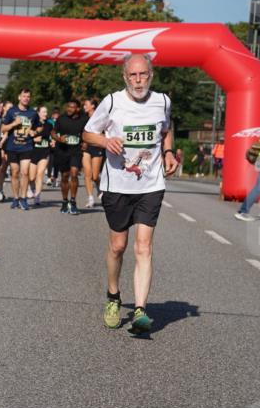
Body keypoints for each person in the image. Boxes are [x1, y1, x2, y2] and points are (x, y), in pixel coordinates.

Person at [82, 53, 179, 334]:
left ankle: (140, 311)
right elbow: (88, 133)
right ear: (125, 77)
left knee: (143, 246)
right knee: (118, 246)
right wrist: (105, 141)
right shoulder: (112, 102)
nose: (138, 81)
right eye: (133, 75)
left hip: (151, 185)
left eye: (143, 74)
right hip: (118, 185)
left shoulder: (162, 101)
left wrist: (168, 152)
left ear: (151, 75)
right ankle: (113, 296)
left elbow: (166, 130)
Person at [2, 88, 38, 210]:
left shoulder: (33, 113)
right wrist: (13, 124)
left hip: (26, 146)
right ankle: (16, 198)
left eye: (28, 96)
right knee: (15, 172)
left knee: (25, 172)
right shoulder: (11, 111)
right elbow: (3, 128)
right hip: (12, 146)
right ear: (19, 97)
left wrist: (34, 132)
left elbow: (39, 127)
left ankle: (23, 198)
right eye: (24, 96)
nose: (26, 98)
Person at [51, 99, 85, 215]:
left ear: (78, 109)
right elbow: (53, 132)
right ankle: (65, 201)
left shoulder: (84, 119)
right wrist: (58, 138)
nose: (69, 109)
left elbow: (88, 133)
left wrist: (86, 142)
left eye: (72, 107)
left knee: (74, 173)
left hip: (76, 151)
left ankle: (73, 201)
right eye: (68, 107)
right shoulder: (61, 119)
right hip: (63, 150)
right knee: (65, 176)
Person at [28, 105, 53, 207]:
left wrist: (53, 141)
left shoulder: (49, 125)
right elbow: (26, 137)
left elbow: (52, 136)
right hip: (33, 152)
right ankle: (31, 188)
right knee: (31, 177)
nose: (45, 114)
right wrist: (33, 139)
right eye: (43, 112)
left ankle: (37, 196)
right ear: (38, 113)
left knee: (40, 174)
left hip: (45, 151)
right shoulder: (33, 124)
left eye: (46, 112)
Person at [81, 96, 103, 207]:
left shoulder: (100, 117)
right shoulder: (83, 118)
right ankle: (90, 198)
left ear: (93, 106)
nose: (84, 107)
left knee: (95, 176)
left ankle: (100, 189)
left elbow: (105, 133)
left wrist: (96, 138)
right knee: (87, 173)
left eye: (86, 105)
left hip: (97, 147)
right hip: (86, 149)